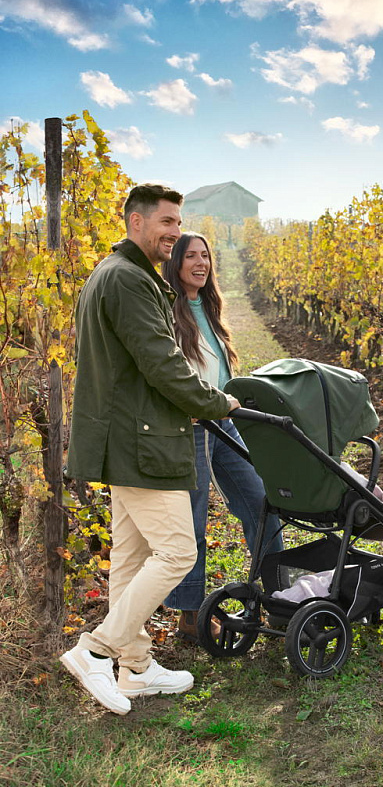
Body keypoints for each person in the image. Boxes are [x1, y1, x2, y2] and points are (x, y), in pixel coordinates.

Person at [60, 184, 240, 716]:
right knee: (179, 551)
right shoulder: (128, 280)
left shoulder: (116, 274)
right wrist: (217, 402)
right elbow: (162, 362)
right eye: (165, 222)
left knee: (131, 556)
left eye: (178, 222)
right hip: (142, 440)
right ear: (135, 222)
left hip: (125, 437)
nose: (174, 233)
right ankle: (97, 650)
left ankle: (135, 668)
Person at [161, 232, 283, 641]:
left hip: (224, 422)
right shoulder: (167, 310)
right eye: (190, 256)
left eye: (205, 256)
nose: (200, 263)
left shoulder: (210, 308)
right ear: (175, 263)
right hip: (189, 427)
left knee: (261, 502)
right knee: (192, 521)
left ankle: (279, 596)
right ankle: (190, 615)